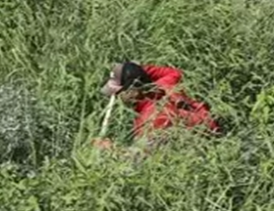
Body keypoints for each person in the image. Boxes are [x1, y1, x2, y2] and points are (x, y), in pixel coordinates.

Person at [92, 61, 220, 151]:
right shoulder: (164, 86)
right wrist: (135, 69)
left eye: (118, 93)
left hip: (208, 145)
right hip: (206, 121)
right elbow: (175, 73)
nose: (116, 99)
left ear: (132, 90)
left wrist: (111, 150)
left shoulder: (153, 117)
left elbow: (139, 160)